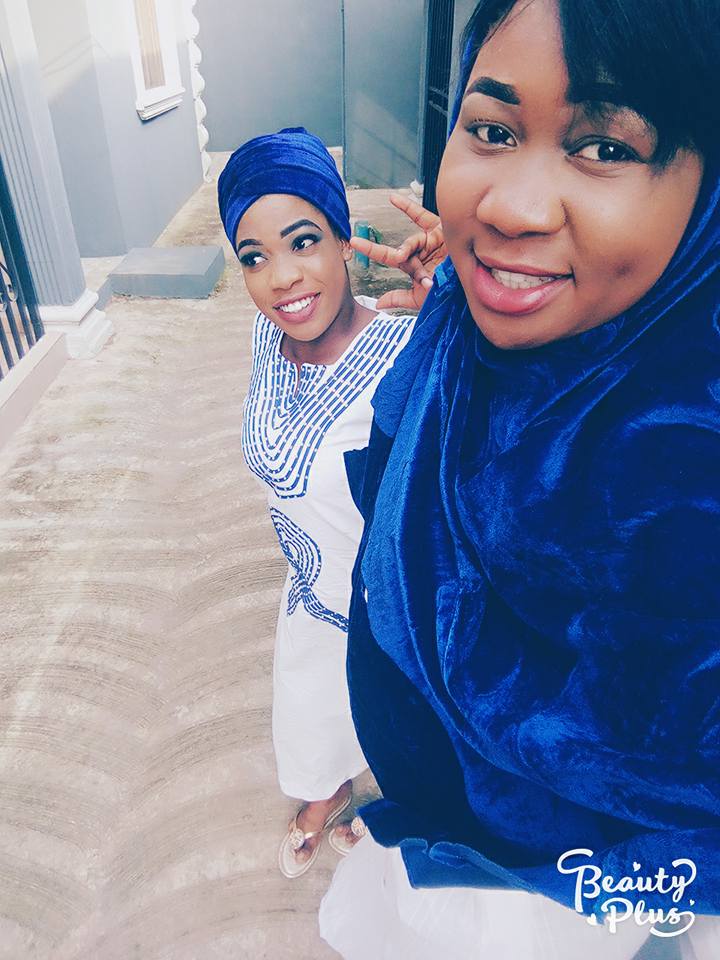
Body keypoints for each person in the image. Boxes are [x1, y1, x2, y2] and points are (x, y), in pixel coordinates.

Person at [319, 0, 720, 955]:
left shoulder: (684, 471)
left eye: (606, 148)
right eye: (493, 131)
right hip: (429, 834)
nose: (511, 207)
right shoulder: (475, 324)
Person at [217, 129, 415, 879]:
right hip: (309, 592)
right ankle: (326, 794)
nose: (281, 278)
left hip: (391, 609)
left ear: (343, 238)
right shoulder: (268, 338)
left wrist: (459, 329)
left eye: (302, 242)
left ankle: (395, 806)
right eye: (254, 257)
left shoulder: (408, 353)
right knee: (309, 709)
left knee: (397, 726)